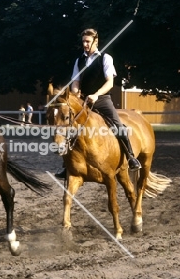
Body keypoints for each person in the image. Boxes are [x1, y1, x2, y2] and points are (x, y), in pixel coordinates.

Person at [55, 28, 141, 179]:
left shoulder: (105, 58)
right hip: (84, 102)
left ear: (96, 41)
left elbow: (110, 83)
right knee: (70, 127)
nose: (85, 44)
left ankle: (131, 157)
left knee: (118, 125)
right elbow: (75, 82)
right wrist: (75, 94)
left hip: (102, 99)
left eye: (88, 41)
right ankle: (66, 165)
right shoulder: (79, 60)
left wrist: (96, 94)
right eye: (83, 42)